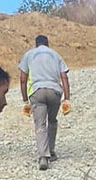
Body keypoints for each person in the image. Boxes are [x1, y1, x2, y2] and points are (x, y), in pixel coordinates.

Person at [19, 35, 71, 170]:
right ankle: (52, 151)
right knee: (52, 121)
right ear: (47, 44)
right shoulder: (56, 55)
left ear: (36, 44)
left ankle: (43, 156)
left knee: (40, 124)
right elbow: (64, 77)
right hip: (54, 92)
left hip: (37, 92)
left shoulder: (29, 55)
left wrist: (25, 100)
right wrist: (67, 98)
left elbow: (23, 79)